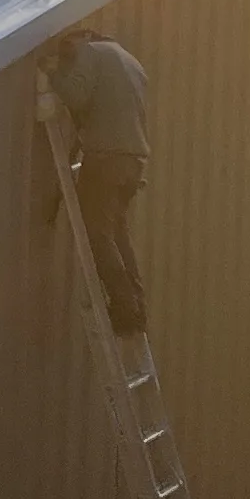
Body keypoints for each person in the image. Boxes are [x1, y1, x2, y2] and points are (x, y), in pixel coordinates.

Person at [45, 29, 153, 342]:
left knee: (98, 233)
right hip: (132, 162)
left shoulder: (88, 53)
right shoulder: (130, 61)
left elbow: (78, 96)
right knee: (118, 233)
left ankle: (123, 306)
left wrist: (54, 74)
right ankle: (137, 307)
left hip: (105, 160)